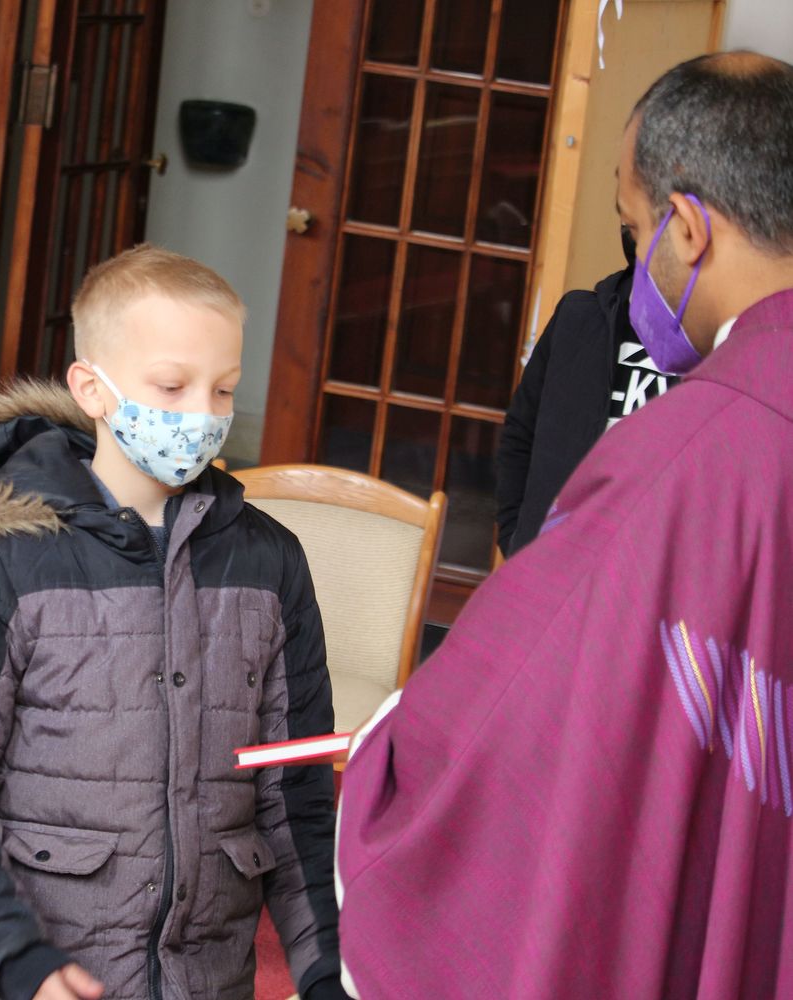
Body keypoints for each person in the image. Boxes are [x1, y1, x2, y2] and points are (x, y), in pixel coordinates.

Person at [337, 52, 793, 999]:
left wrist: (392, 740)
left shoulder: (694, 447)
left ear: (689, 228)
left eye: (635, 228)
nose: (637, 261)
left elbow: (520, 692)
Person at [0, 245, 349, 1000]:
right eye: (172, 386)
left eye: (224, 389)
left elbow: (293, 789)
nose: (202, 414)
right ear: (91, 389)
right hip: (46, 972)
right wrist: (14, 955)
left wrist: (325, 968)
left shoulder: (271, 561)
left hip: (209, 979)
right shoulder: (3, 556)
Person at [495, 227, 679, 556]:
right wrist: (516, 536)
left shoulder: (715, 348)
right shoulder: (578, 318)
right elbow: (521, 431)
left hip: (645, 563)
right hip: (552, 558)